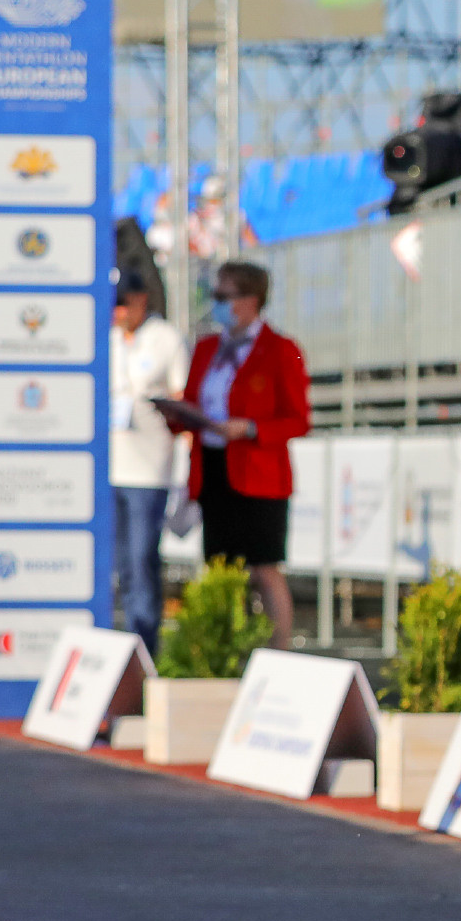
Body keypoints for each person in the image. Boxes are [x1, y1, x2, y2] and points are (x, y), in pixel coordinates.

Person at [180, 262, 308, 648]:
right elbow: (191, 401)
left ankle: (278, 652)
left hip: (259, 473)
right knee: (222, 570)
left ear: (251, 300)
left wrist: (249, 428)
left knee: (264, 569)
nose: (216, 305)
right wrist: (176, 413)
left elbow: (298, 420)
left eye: (223, 297)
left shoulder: (281, 350)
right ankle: (227, 652)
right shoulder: (206, 349)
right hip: (215, 470)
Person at [110, 273, 187, 655]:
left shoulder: (166, 338)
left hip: (148, 471)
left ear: (142, 300)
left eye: (125, 303)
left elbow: (183, 399)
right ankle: (117, 646)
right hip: (108, 468)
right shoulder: (107, 338)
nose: (119, 312)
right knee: (118, 564)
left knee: (141, 561)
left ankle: (144, 651)